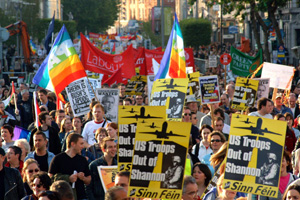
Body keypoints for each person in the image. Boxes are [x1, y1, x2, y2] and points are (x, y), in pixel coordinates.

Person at [49, 134, 91, 200]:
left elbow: (88, 180)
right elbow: (50, 177)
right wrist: (68, 178)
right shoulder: (58, 159)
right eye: (81, 144)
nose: (82, 146)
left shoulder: (82, 160)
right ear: (73, 144)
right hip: (62, 197)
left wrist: (83, 178)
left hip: (81, 196)